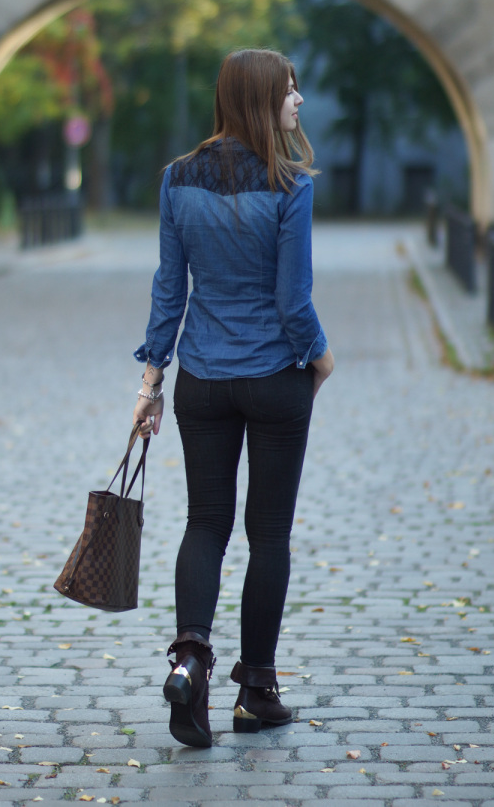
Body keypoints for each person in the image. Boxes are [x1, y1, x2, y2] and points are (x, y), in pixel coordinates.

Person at [133, 48, 334, 748]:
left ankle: (190, 662)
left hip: (205, 382)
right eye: (289, 90)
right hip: (277, 379)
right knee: (268, 534)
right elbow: (292, 299)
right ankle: (256, 691)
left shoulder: (176, 181)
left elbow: (170, 289)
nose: (299, 101)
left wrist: (153, 379)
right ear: (259, 99)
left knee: (205, 522)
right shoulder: (291, 185)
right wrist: (321, 356)